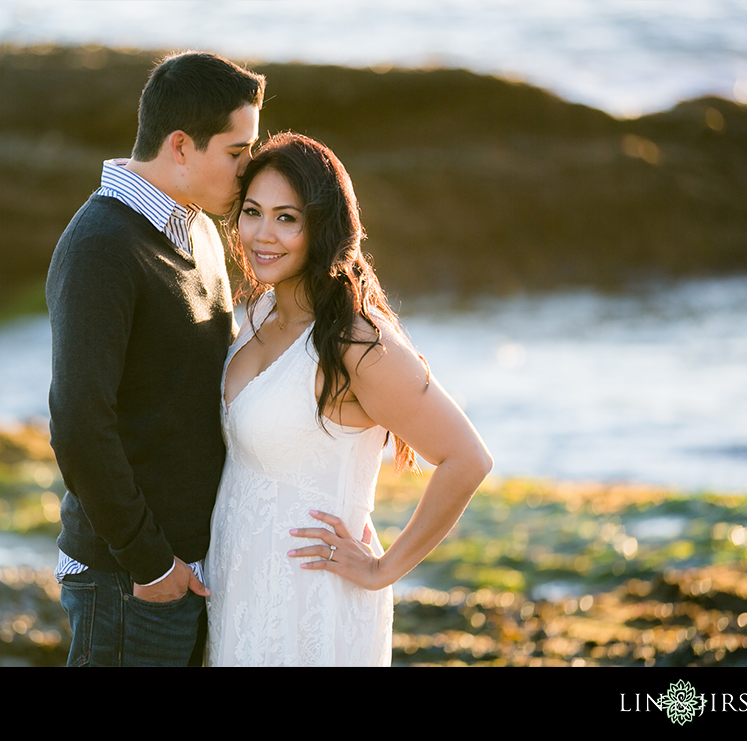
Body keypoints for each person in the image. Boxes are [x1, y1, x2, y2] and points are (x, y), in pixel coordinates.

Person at [204, 132, 493, 666]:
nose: (263, 235)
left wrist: (384, 570)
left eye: (287, 218)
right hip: (241, 592)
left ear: (323, 227)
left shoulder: (355, 344)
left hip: (312, 606)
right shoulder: (262, 312)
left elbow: (467, 459)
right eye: (252, 212)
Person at [46, 52, 264, 666]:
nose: (249, 170)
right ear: (180, 146)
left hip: (191, 569)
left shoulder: (197, 230)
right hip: (132, 578)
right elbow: (79, 426)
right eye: (236, 151)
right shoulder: (99, 247)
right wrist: (150, 562)